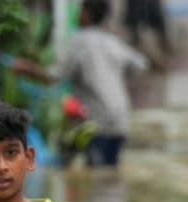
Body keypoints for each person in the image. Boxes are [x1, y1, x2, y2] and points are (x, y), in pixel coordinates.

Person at [53, 0, 148, 167]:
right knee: (109, 172)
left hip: (96, 124)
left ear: (87, 15)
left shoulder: (78, 40)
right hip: (121, 121)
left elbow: (55, 76)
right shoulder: (111, 40)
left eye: (81, 10)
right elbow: (141, 65)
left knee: (90, 173)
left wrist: (26, 69)